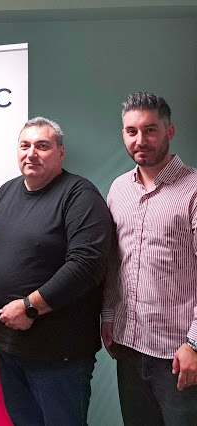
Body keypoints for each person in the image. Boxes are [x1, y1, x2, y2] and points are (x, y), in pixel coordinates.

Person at [0, 117, 113, 426]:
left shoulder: (79, 196)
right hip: (9, 347)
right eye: (25, 145)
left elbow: (87, 265)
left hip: (58, 355)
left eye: (42, 146)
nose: (31, 153)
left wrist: (30, 307)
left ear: (60, 152)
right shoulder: (6, 191)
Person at [101, 92, 197, 425]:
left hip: (179, 355)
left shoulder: (193, 190)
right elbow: (114, 261)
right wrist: (109, 315)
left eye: (150, 130)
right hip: (128, 347)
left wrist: (194, 345)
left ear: (169, 131)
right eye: (132, 131)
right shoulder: (119, 189)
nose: (140, 140)